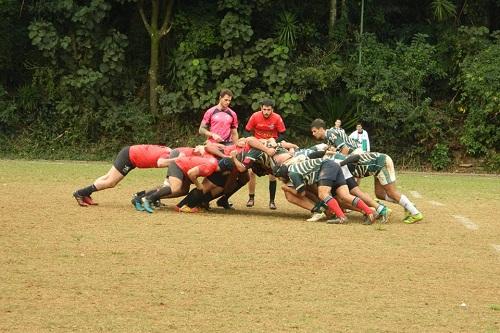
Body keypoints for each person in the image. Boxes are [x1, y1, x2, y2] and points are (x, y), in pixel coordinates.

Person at [273, 157, 375, 224]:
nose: (279, 180)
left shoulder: (292, 174)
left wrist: (286, 188)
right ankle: (369, 212)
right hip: (333, 165)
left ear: (281, 175)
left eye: (279, 178)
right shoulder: (292, 168)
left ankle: (341, 217)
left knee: (322, 194)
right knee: (345, 196)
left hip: (326, 166)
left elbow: (302, 193)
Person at [73, 145, 175, 206]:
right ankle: (80, 193)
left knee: (107, 177)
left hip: (131, 154)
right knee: (110, 182)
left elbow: (168, 178)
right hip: (129, 157)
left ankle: (85, 193)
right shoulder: (171, 156)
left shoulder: (172, 152)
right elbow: (161, 163)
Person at [341, 152, 424, 224]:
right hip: (377, 167)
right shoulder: (343, 171)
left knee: (391, 192)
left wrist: (340, 164)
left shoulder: (341, 165)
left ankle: (415, 213)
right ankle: (409, 205)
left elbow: (356, 157)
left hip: (381, 163)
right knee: (379, 194)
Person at [244, 98, 286, 210]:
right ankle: (251, 198)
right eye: (264, 109)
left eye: (269, 110)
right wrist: (256, 140)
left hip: (271, 146)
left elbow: (283, 134)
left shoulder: (277, 118)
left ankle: (272, 202)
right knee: (251, 172)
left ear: (272, 109)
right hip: (258, 145)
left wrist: (273, 140)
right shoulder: (255, 116)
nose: (266, 112)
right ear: (261, 109)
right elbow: (246, 131)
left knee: (272, 172)